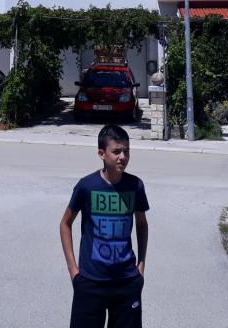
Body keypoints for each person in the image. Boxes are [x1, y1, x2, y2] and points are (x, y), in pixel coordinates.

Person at [60, 124, 150, 328]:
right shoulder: (87, 186)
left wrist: (141, 265)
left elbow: (142, 224)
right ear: (101, 153)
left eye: (126, 151)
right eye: (116, 151)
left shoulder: (135, 185)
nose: (123, 157)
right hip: (90, 281)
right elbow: (65, 223)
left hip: (127, 281)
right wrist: (74, 271)